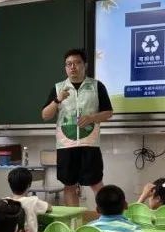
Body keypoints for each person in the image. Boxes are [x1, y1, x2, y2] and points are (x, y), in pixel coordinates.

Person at [40, 48, 114, 208]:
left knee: (96, 183)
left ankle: (108, 216)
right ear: (65, 67)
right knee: (69, 185)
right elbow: (45, 115)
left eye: (77, 63)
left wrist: (91, 118)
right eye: (69, 64)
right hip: (66, 145)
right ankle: (74, 220)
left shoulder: (96, 86)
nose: (72, 67)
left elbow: (108, 113)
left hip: (90, 143)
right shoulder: (58, 88)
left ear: (84, 65)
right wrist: (57, 100)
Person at [6, 166, 50, 232]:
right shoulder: (33, 201)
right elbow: (48, 208)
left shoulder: (5, 201)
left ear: (10, 184)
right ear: (29, 185)